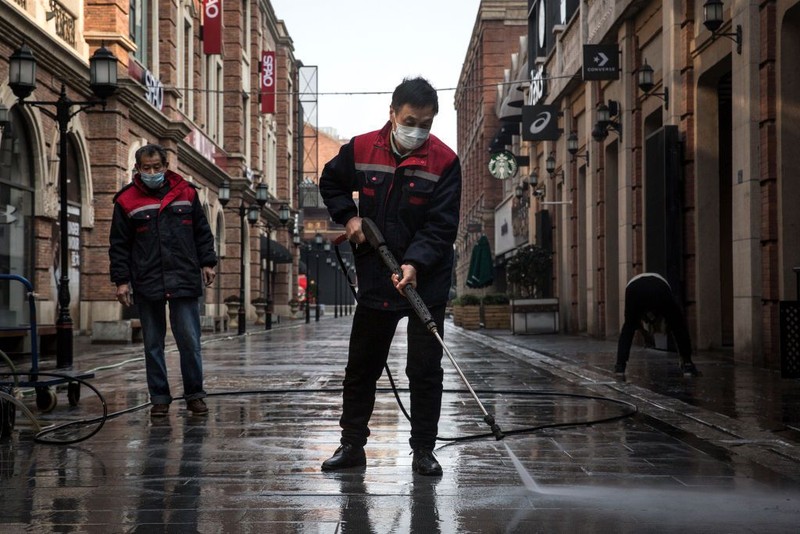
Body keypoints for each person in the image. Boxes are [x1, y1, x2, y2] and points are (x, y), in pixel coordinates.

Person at [318, 77, 461, 476]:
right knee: (362, 365)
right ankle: (352, 446)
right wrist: (349, 217)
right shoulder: (361, 148)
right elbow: (330, 183)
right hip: (377, 276)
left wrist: (415, 264)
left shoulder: (445, 162)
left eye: (427, 123)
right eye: (411, 120)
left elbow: (441, 226)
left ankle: (423, 451)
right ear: (393, 114)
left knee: (425, 369)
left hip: (425, 282)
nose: (418, 130)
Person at [109, 144, 217, 417]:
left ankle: (194, 395)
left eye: (157, 167)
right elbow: (119, 245)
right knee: (153, 344)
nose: (152, 172)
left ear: (166, 166)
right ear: (137, 169)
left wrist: (207, 263)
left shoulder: (186, 193)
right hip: (147, 281)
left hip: (182, 277)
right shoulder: (126, 201)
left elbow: (202, 233)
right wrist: (122, 281)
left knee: (189, 342)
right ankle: (159, 398)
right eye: (146, 168)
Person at [615, 272, 700, 377]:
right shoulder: (663, 298)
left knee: (628, 328)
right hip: (659, 288)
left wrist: (645, 334)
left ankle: (620, 366)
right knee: (678, 325)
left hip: (634, 288)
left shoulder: (640, 311)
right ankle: (687, 364)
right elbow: (677, 327)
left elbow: (634, 325)